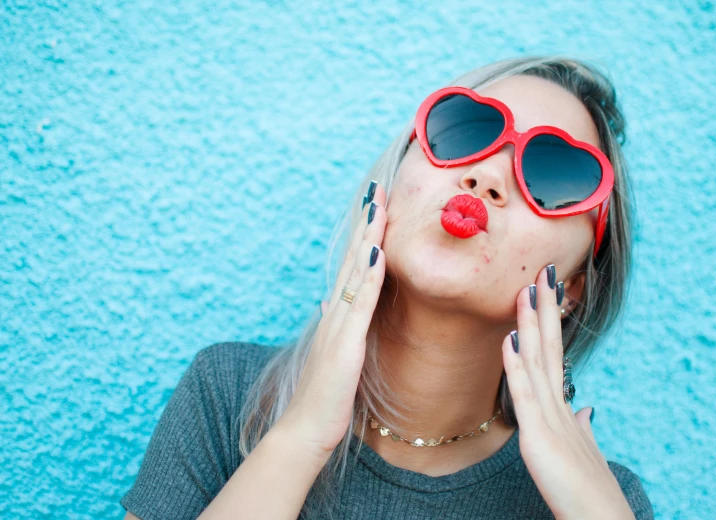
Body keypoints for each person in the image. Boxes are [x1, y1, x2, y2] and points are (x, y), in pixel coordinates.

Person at [120, 55, 655, 519]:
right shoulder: (228, 396)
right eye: (467, 130)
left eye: (555, 172)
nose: (487, 176)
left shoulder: (603, 499)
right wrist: (300, 438)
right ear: (392, 181)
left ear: (576, 286)